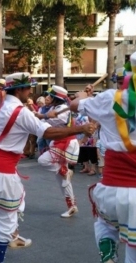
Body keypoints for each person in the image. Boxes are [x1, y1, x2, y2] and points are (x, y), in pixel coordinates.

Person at [0, 72, 95, 263]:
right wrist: (80, 129)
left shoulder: (1, 105)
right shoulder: (20, 111)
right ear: (20, 89)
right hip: (2, 171)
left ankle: (13, 236)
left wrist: (46, 114)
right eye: (28, 88)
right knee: (5, 217)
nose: (31, 91)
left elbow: (34, 119)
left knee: (16, 202)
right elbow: (46, 131)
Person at [69, 51, 136, 263]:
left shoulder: (110, 99)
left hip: (112, 187)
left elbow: (73, 105)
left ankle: (108, 252)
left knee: (105, 223)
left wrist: (83, 96)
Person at [37, 85, 80, 218]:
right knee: (62, 179)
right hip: (60, 141)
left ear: (56, 98)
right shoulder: (56, 108)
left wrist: (42, 116)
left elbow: (54, 120)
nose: (48, 98)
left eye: (51, 96)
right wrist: (42, 115)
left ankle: (66, 171)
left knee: (42, 160)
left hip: (66, 142)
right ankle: (71, 206)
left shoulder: (62, 109)